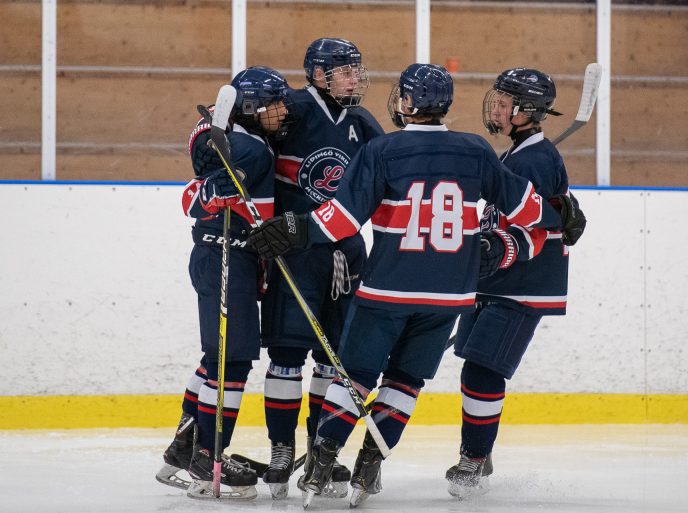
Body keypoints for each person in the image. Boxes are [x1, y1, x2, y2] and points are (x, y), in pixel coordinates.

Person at [246, 63, 569, 508]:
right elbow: (534, 212)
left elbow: (340, 220)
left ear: (409, 104)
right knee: (405, 380)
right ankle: (370, 464)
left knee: (356, 376)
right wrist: (563, 211)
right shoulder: (477, 151)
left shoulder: (383, 150)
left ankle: (322, 461)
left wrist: (293, 229)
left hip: (389, 289)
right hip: (451, 296)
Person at [444, 68, 584, 498]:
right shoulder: (519, 155)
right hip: (499, 282)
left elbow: (536, 231)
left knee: (483, 370)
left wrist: (494, 250)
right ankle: (478, 451)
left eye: (506, 103)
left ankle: (474, 459)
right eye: (499, 101)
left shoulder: (535, 158)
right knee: (473, 365)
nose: (497, 108)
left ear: (527, 112)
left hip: (521, 285)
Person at [155, 66, 292, 500]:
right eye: (274, 104)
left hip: (224, 257)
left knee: (216, 356)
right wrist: (219, 194)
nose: (283, 110)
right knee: (231, 361)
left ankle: (183, 449)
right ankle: (207, 459)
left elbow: (205, 129)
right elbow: (192, 199)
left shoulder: (231, 130)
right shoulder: (248, 149)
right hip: (224, 255)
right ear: (250, 109)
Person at [258, 37, 385, 500]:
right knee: (287, 356)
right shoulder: (288, 107)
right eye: (345, 71)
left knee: (334, 361)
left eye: (356, 70)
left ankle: (318, 452)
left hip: (347, 257)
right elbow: (234, 124)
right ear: (317, 74)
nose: (355, 79)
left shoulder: (363, 123)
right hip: (295, 252)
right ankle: (278, 451)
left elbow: (399, 172)